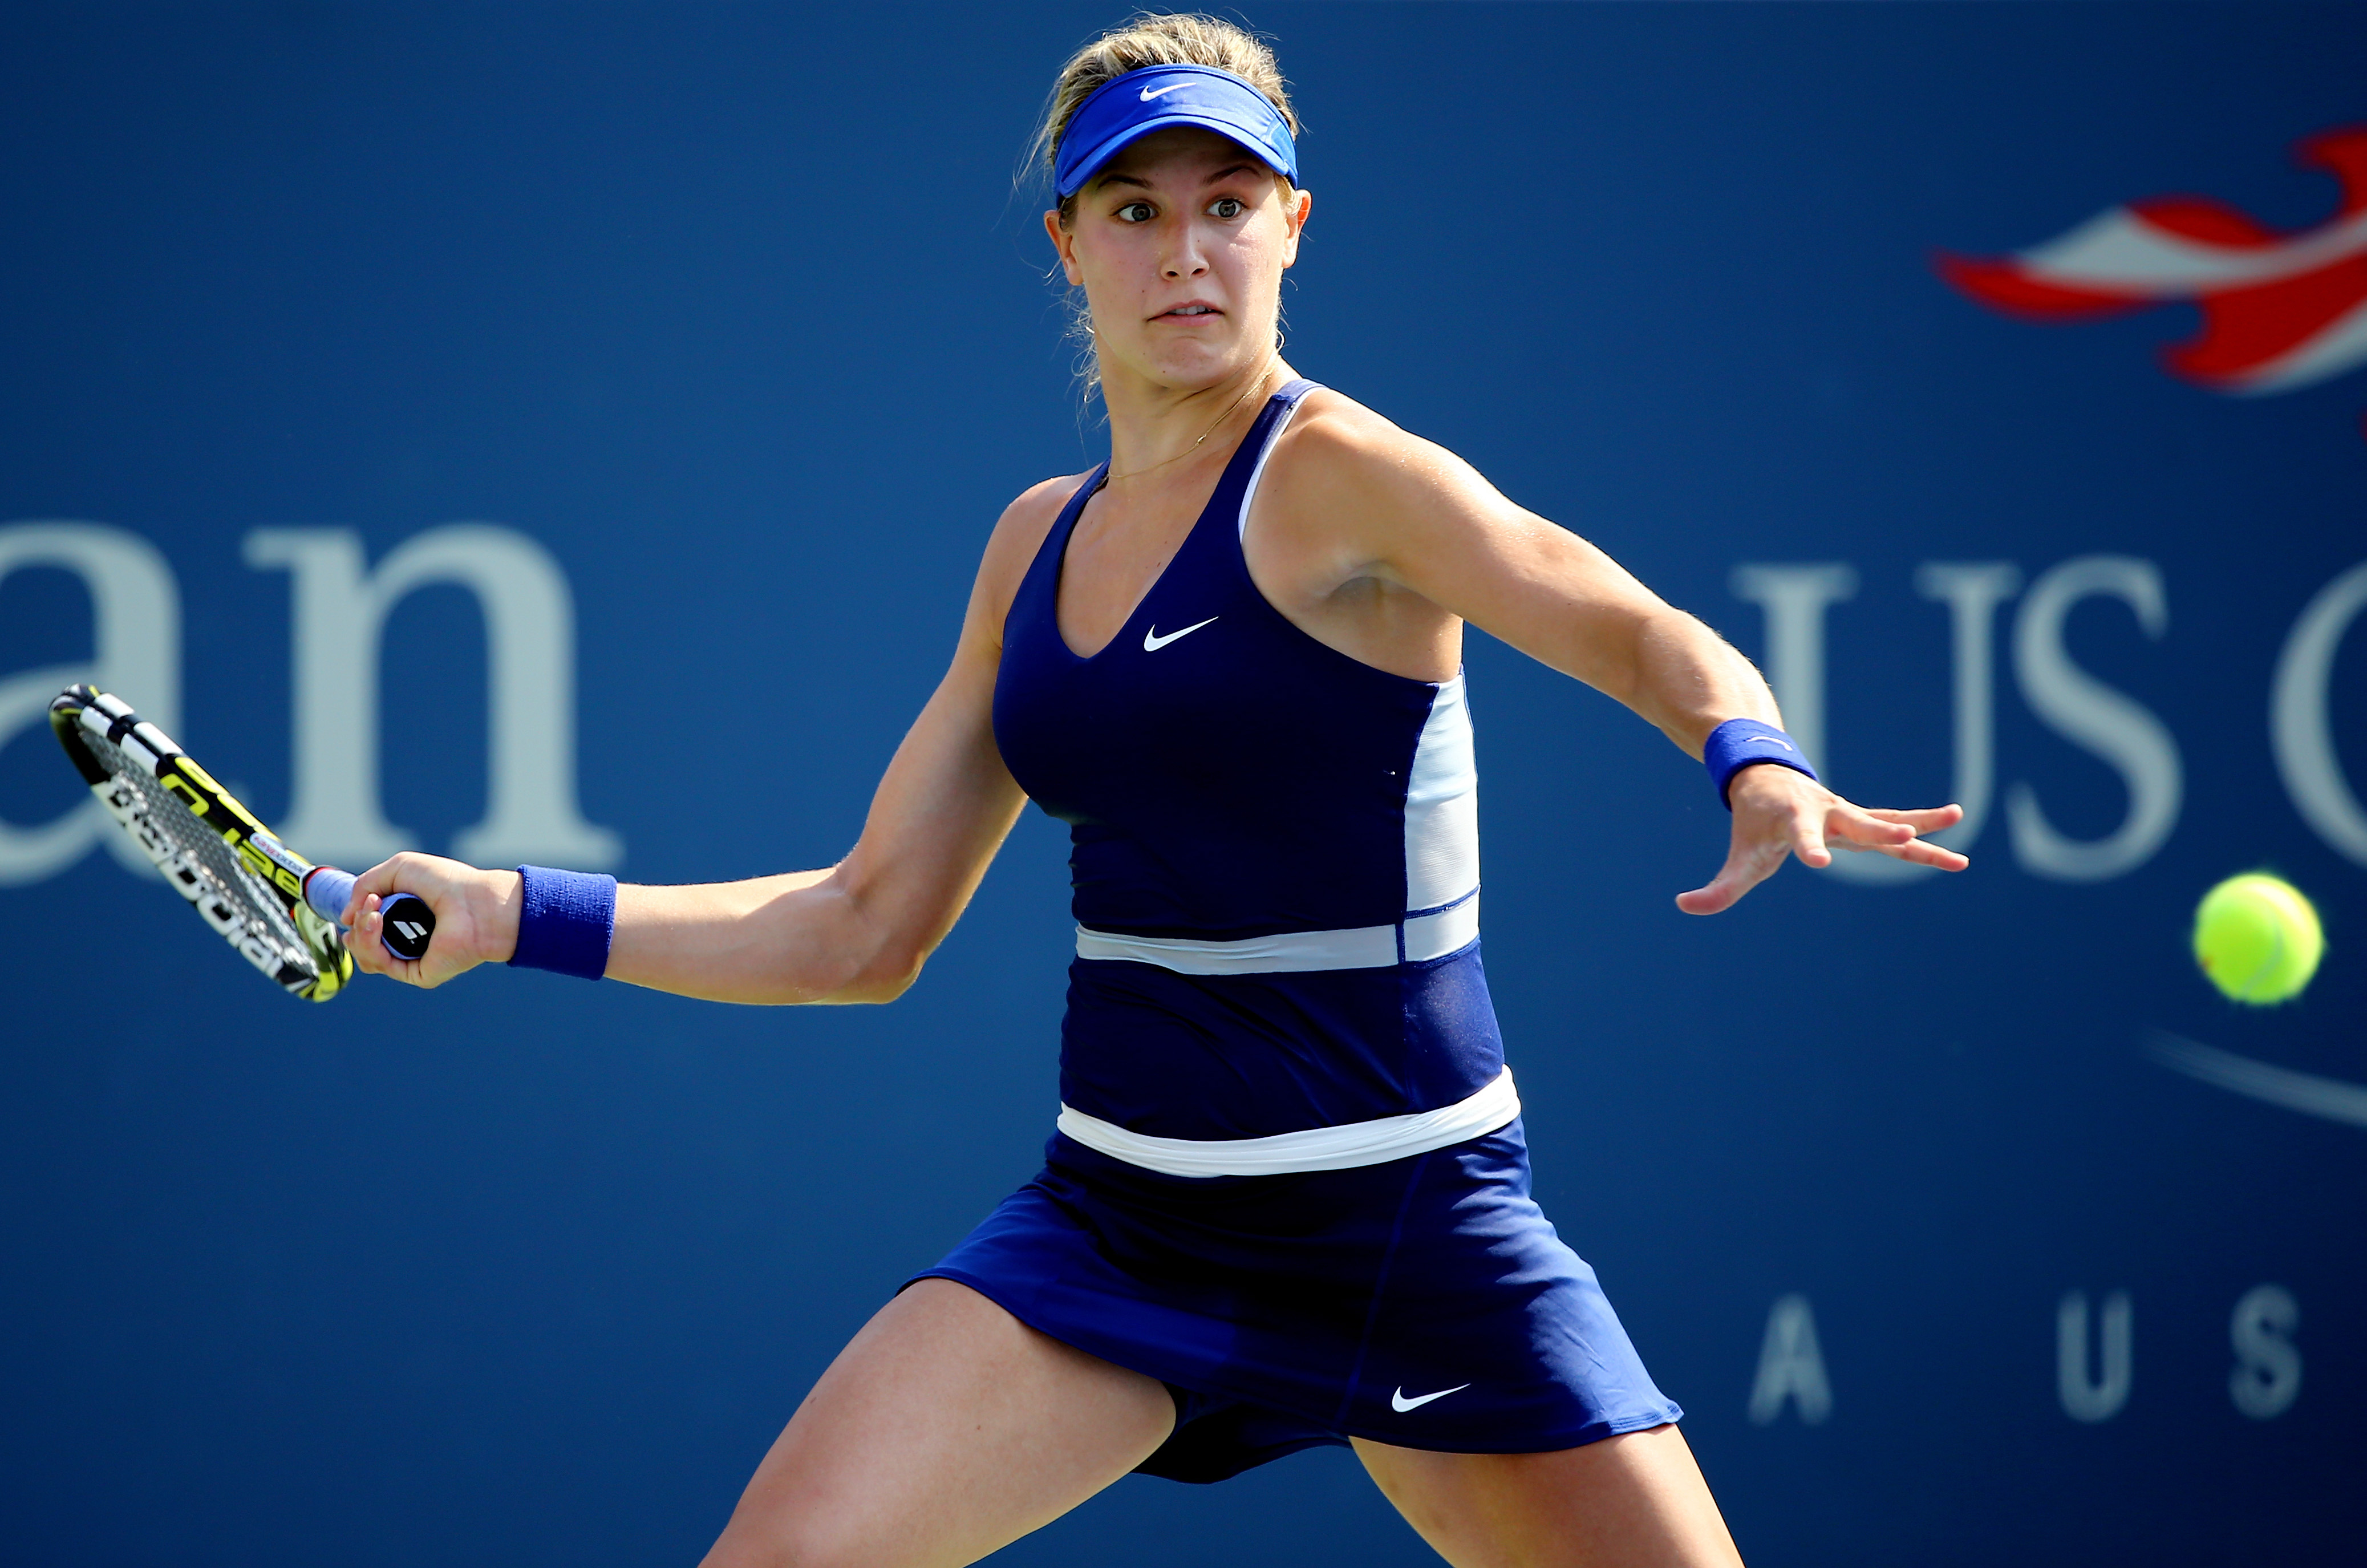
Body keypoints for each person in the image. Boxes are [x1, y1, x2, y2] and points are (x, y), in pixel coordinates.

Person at [341, 15, 1967, 1566]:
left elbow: (1623, 620)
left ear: (1292, 227)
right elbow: (862, 927)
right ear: (1069, 245)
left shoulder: (1346, 478)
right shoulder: (1031, 546)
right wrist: (509, 913)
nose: (1186, 250)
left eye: (1227, 205)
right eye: (1135, 210)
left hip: (1414, 1234)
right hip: (1122, 1231)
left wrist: (1749, 749)